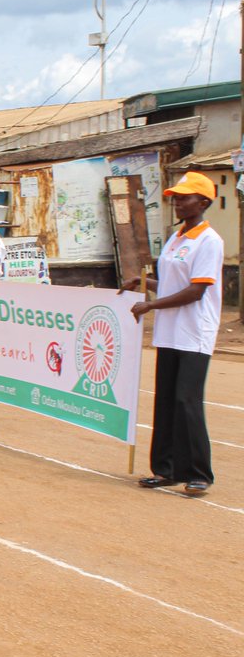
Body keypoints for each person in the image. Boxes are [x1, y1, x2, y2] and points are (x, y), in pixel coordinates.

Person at [121, 171, 224, 495]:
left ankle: (198, 473)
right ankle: (165, 469)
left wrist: (151, 306)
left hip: (194, 332)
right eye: (176, 197)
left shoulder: (209, 241)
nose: (177, 202)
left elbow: (196, 291)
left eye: (185, 197)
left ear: (203, 202)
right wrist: (141, 284)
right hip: (169, 333)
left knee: (186, 400)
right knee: (166, 400)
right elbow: (170, 285)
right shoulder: (176, 237)